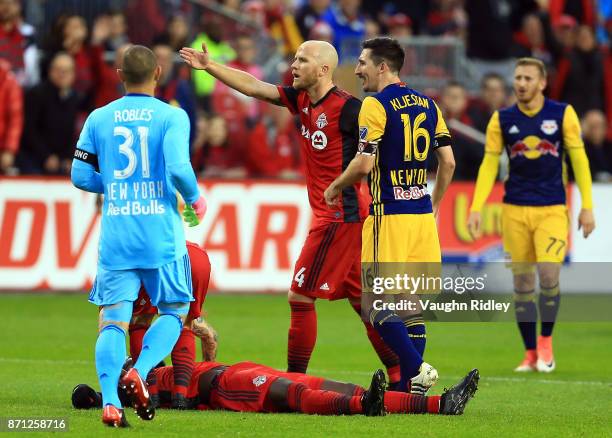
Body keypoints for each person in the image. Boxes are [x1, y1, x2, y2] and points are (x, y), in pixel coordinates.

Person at [180, 40, 402, 387]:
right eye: (294, 58)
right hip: (344, 220)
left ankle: (293, 381)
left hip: (339, 217)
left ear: (324, 69)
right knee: (365, 304)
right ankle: (402, 372)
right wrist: (210, 67)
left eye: (302, 60)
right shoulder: (301, 100)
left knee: (300, 295)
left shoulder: (349, 109)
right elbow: (255, 87)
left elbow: (377, 150)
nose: (293, 65)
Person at [70, 45, 207, 427]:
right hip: (160, 234)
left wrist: (113, 185)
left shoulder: (99, 117)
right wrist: (196, 198)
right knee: (175, 309)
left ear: (119, 75)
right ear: (159, 73)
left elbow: (79, 176)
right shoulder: (171, 116)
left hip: (117, 234)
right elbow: (179, 167)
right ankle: (142, 368)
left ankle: (111, 402)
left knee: (113, 319)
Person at [324, 37, 456, 394]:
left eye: (363, 63)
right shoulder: (429, 105)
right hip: (420, 217)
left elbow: (364, 164)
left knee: (374, 305)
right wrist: (435, 204)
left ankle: (417, 368)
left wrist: (337, 184)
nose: (356, 70)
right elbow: (448, 161)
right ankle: (406, 389)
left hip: (389, 216)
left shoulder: (375, 105)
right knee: (408, 303)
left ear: (382, 67)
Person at [467, 57, 595, 373]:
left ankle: (546, 342)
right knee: (523, 285)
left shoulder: (562, 114)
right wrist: (476, 206)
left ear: (542, 83)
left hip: (552, 208)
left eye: (527, 78)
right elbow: (489, 164)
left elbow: (579, 160)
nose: (521, 83)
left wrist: (587, 206)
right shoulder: (501, 118)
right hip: (514, 209)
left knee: (549, 276)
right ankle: (528, 353)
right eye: (518, 78)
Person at [72, 359, 479, 417]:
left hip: (237, 369)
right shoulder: (150, 391)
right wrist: (93, 399)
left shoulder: (156, 372)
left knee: (337, 383)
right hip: (227, 386)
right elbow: (184, 395)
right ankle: (361, 408)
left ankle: (442, 405)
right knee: (292, 394)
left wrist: (208, 345)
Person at [128, 241, 213, 410]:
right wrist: (209, 363)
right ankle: (180, 397)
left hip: (156, 257)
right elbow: (209, 335)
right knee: (185, 323)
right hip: (197, 258)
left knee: (139, 322)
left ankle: (149, 395)